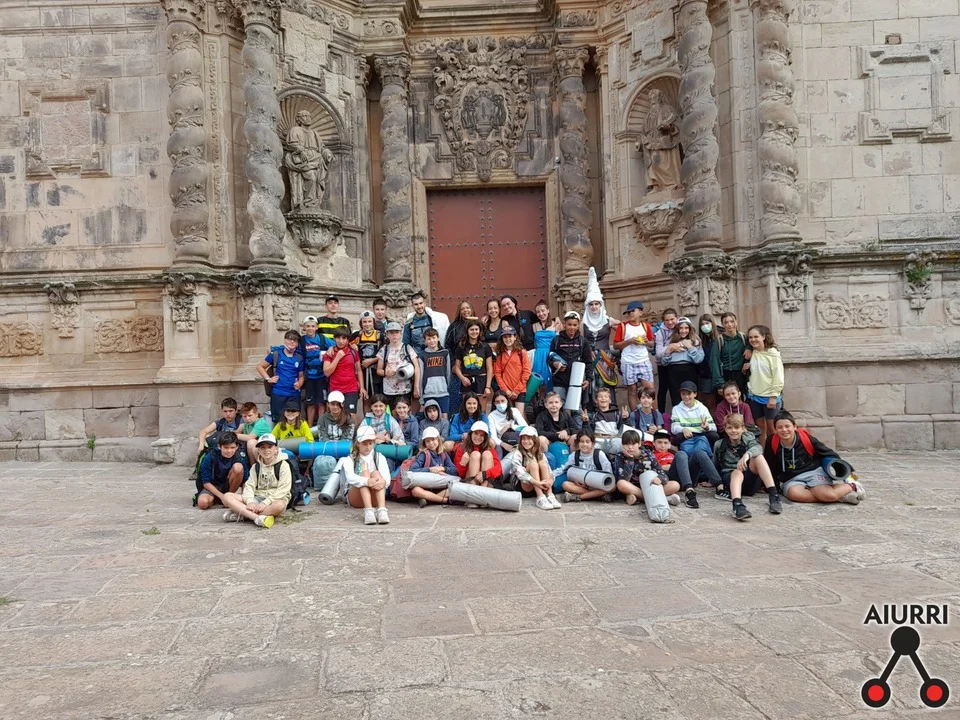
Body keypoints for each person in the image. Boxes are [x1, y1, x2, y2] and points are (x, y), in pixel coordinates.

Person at [764, 411, 865, 505]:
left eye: (787, 426)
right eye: (780, 427)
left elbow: (827, 452)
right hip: (791, 478)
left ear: (794, 427)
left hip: (813, 471)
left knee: (828, 495)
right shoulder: (772, 441)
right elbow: (770, 464)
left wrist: (849, 470)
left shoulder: (805, 438)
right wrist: (772, 485)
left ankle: (853, 486)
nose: (784, 430)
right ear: (775, 429)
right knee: (795, 494)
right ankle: (842, 497)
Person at [714, 413, 782, 519]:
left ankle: (774, 495)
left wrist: (747, 455)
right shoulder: (719, 444)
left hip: (749, 480)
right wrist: (716, 483)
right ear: (725, 429)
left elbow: (758, 448)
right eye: (730, 428)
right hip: (731, 480)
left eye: (737, 427)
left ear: (742, 428)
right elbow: (716, 465)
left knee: (758, 456)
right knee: (737, 472)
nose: (733, 431)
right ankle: (737, 505)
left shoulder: (748, 438)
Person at [221, 433, 289, 528]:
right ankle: (257, 518)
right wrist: (250, 501)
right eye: (262, 447)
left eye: (270, 447)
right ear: (259, 450)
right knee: (227, 496)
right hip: (257, 497)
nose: (266, 450)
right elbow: (249, 486)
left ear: (276, 449)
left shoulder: (283, 465)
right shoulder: (256, 467)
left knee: (279, 506)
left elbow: (283, 489)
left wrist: (265, 503)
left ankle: (242, 514)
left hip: (274, 500)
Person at [614, 429, 679, 508]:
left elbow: (663, 474)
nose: (630, 447)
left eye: (633, 444)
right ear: (622, 445)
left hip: (650, 485)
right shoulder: (620, 456)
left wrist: (660, 479)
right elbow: (623, 479)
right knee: (621, 484)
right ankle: (661, 498)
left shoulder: (648, 454)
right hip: (633, 487)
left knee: (675, 485)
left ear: (639, 444)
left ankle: (641, 498)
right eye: (626, 444)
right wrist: (630, 460)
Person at [342, 425, 391, 525]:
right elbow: (350, 478)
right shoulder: (350, 459)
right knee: (365, 473)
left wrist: (382, 481)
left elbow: (386, 477)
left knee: (376, 473)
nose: (368, 447)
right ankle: (368, 511)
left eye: (370, 443)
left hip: (375, 496)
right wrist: (367, 481)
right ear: (357, 443)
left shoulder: (379, 457)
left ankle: (382, 510)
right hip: (356, 497)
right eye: (364, 444)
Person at [746, 325, 784, 446]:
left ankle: (776, 452)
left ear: (763, 337)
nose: (753, 340)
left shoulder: (773, 355)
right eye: (750, 337)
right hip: (754, 396)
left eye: (756, 337)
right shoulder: (753, 353)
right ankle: (762, 453)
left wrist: (773, 396)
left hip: (769, 397)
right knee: (760, 428)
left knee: (772, 429)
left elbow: (778, 376)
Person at [613, 300, 655, 411]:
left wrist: (646, 341)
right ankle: (634, 415)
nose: (630, 313)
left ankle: (655, 414)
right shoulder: (623, 327)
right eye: (628, 312)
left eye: (633, 311)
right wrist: (630, 341)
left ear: (640, 312)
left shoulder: (645, 326)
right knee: (632, 390)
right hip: (628, 361)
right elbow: (616, 345)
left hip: (643, 360)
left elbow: (652, 344)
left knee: (650, 389)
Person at [309, 390, 356, 488]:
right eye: (332, 404)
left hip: (344, 449)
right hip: (327, 449)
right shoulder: (322, 419)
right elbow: (322, 437)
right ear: (328, 405)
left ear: (342, 404)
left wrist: (336, 446)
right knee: (322, 462)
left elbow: (347, 439)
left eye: (337, 404)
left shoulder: (348, 418)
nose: (335, 407)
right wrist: (332, 446)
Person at [257, 331, 305, 423]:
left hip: (293, 395)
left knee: (294, 421)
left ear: (297, 344)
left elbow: (301, 376)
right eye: (290, 339)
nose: (292, 342)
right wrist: (268, 379)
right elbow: (260, 366)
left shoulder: (299, 357)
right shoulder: (276, 354)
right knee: (278, 421)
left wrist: (299, 383)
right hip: (278, 393)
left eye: (295, 340)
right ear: (285, 340)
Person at [548, 311, 594, 408]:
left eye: (574, 325)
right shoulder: (556, 340)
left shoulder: (583, 341)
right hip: (559, 380)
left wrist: (588, 379)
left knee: (576, 409)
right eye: (569, 324)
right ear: (564, 324)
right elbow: (549, 358)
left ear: (578, 326)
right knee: (558, 407)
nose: (572, 327)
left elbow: (588, 362)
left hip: (577, 381)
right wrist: (554, 364)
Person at [556, 430, 615, 503]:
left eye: (587, 442)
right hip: (582, 486)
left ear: (592, 444)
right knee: (565, 484)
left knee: (613, 487)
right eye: (582, 442)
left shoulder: (599, 454)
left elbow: (608, 472)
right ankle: (598, 496)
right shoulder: (575, 455)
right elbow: (564, 468)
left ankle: (578, 497)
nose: (584, 444)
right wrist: (552, 475)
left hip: (598, 485)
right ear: (578, 443)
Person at [511, 427, 561, 510]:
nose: (526, 441)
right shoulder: (518, 452)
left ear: (535, 440)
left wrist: (551, 480)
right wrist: (537, 482)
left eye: (529, 439)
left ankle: (550, 495)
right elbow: (518, 471)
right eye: (523, 439)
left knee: (543, 463)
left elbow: (549, 469)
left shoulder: (540, 453)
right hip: (525, 486)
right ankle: (540, 497)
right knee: (533, 464)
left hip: (541, 485)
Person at [408, 426, 459, 507]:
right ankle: (446, 500)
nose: (431, 443)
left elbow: (454, 470)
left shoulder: (443, 454)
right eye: (427, 441)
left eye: (433, 440)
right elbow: (413, 469)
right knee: (416, 491)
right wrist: (430, 470)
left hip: (441, 486)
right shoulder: (424, 454)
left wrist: (443, 469)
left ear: (438, 440)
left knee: (455, 487)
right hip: (425, 487)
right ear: (424, 443)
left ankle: (429, 500)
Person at [196, 431, 248, 510]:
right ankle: (217, 499)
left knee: (238, 467)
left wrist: (246, 497)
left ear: (237, 447)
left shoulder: (239, 457)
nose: (229, 451)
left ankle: (230, 497)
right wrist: (222, 496)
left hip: (229, 486)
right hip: (213, 486)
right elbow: (206, 482)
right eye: (226, 447)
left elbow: (245, 480)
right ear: (219, 446)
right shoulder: (210, 456)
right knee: (202, 503)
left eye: (232, 448)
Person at [660, 317, 704, 408]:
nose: (683, 331)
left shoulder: (695, 342)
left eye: (686, 328)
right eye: (681, 328)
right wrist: (669, 351)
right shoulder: (671, 341)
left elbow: (699, 359)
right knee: (676, 398)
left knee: (691, 398)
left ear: (690, 329)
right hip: (674, 372)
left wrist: (690, 347)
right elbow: (664, 362)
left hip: (690, 371)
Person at [376, 321, 420, 409]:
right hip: (389, 390)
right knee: (392, 413)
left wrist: (416, 386)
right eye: (391, 333)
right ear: (387, 335)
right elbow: (378, 370)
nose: (394, 335)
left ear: (400, 334)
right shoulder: (384, 350)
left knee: (404, 412)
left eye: (396, 332)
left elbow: (417, 367)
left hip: (405, 389)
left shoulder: (407, 348)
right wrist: (386, 373)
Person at [323, 327, 364, 420]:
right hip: (335, 388)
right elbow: (327, 373)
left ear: (347, 339)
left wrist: (362, 387)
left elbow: (359, 370)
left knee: (352, 416)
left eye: (344, 338)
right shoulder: (329, 353)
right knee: (335, 415)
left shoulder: (353, 352)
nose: (341, 341)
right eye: (338, 338)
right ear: (334, 338)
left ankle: (353, 431)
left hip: (351, 389)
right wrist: (337, 358)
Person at [453, 319, 493, 409]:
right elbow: (457, 367)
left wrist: (488, 387)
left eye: (476, 329)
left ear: (480, 331)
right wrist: (462, 378)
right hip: (467, 381)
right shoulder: (461, 347)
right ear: (467, 331)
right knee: (468, 409)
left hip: (481, 381)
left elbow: (489, 368)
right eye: (471, 329)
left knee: (481, 410)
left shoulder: (485, 346)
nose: (474, 332)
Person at [710, 312, 751, 398]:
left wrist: (748, 348)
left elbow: (752, 344)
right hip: (725, 375)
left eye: (732, 321)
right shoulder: (719, 340)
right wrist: (719, 384)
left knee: (740, 401)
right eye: (726, 322)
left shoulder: (743, 337)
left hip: (740, 375)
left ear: (736, 322)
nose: (729, 324)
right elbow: (714, 361)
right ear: (722, 324)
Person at [492, 326, 531, 417]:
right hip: (506, 390)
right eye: (505, 337)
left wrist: (516, 390)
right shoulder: (500, 354)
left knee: (519, 416)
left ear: (515, 337)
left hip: (520, 389)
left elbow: (526, 372)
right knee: (508, 416)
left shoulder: (522, 352)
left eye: (510, 336)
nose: (508, 339)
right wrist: (505, 390)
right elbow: (497, 373)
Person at [300, 315, 332, 424]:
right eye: (308, 326)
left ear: (317, 327)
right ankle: (309, 427)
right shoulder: (302, 341)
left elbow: (335, 345)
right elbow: (290, 346)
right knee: (310, 403)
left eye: (313, 326)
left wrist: (331, 348)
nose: (310, 328)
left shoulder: (322, 339)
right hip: (309, 376)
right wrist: (273, 349)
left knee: (322, 402)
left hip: (322, 375)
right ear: (304, 327)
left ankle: (320, 426)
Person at [454, 421, 502, 488]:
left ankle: (482, 490)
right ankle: (475, 489)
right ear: (471, 434)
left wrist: (485, 474)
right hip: (469, 482)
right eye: (476, 433)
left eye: (481, 435)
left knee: (487, 454)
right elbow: (460, 475)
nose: (478, 437)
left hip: (486, 483)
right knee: (475, 455)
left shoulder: (490, 449)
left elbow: (499, 469)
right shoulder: (462, 448)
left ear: (485, 437)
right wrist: (462, 464)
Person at [352, 310, 383, 410]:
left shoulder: (380, 335)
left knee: (378, 399)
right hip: (362, 372)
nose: (367, 324)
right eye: (364, 322)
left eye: (369, 321)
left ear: (373, 322)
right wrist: (352, 346)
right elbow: (345, 345)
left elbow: (386, 352)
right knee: (366, 398)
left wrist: (372, 360)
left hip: (376, 371)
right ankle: (367, 418)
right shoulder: (356, 335)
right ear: (361, 323)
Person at [418, 328, 451, 417]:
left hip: (443, 392)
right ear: (425, 341)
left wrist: (446, 387)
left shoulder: (445, 353)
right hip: (428, 393)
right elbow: (420, 377)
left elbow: (448, 373)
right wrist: (421, 398)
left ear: (438, 338)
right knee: (430, 417)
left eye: (433, 338)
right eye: (428, 339)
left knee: (444, 417)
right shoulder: (422, 355)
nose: (432, 341)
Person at [654, 308, 679, 413]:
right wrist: (671, 347)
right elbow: (658, 353)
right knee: (663, 390)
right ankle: (661, 414)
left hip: (678, 364)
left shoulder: (682, 328)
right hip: (663, 365)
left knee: (676, 390)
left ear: (677, 318)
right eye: (667, 320)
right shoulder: (660, 333)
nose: (670, 322)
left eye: (672, 319)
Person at [584, 386, 623, 455]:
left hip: (613, 439)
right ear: (596, 400)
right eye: (600, 396)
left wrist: (625, 419)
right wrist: (586, 422)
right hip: (598, 440)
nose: (603, 398)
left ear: (610, 400)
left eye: (606, 396)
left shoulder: (617, 414)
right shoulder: (593, 415)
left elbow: (622, 428)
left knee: (622, 445)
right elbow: (589, 432)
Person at [697, 313, 719, 412]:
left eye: (707, 323)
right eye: (702, 324)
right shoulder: (699, 340)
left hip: (719, 375)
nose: (705, 326)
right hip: (705, 375)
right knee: (710, 403)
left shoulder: (720, 337)